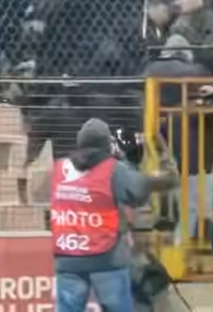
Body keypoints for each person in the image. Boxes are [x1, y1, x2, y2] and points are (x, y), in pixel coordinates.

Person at [51, 118, 178, 312]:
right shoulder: (114, 170)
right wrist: (162, 153)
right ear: (107, 145)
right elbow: (152, 187)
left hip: (68, 259)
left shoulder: (59, 168)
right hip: (106, 259)